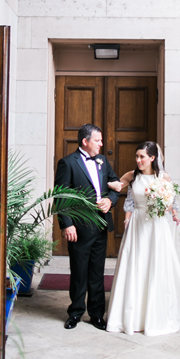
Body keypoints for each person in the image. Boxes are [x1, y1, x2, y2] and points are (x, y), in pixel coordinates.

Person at [106, 141, 180, 336]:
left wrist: (174, 214)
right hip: (138, 226)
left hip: (157, 226)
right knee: (136, 267)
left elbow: (171, 201)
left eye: (142, 157)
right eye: (137, 156)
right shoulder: (132, 176)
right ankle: (134, 316)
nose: (138, 160)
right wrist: (126, 219)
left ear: (152, 158)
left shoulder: (163, 177)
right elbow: (127, 199)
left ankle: (156, 315)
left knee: (157, 266)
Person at [54, 124, 120, 330]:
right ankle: (75, 312)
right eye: (98, 140)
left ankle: (97, 314)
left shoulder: (102, 161)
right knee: (79, 271)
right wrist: (67, 224)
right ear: (85, 141)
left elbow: (115, 183)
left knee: (97, 272)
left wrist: (110, 200)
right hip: (79, 227)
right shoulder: (67, 163)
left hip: (100, 224)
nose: (101, 144)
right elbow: (61, 195)